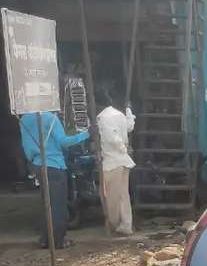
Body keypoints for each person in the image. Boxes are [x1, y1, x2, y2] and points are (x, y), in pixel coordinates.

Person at [19, 111, 90, 249]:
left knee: (47, 203)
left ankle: (45, 239)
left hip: (38, 164)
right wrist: (86, 134)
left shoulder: (24, 120)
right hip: (54, 165)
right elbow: (64, 142)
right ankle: (59, 240)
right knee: (58, 205)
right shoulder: (50, 118)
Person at [97, 90, 136, 236]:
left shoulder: (103, 117)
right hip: (122, 160)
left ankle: (115, 223)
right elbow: (129, 126)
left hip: (112, 161)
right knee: (122, 195)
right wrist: (129, 110)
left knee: (108, 196)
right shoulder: (118, 114)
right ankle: (125, 224)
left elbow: (112, 138)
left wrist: (122, 148)